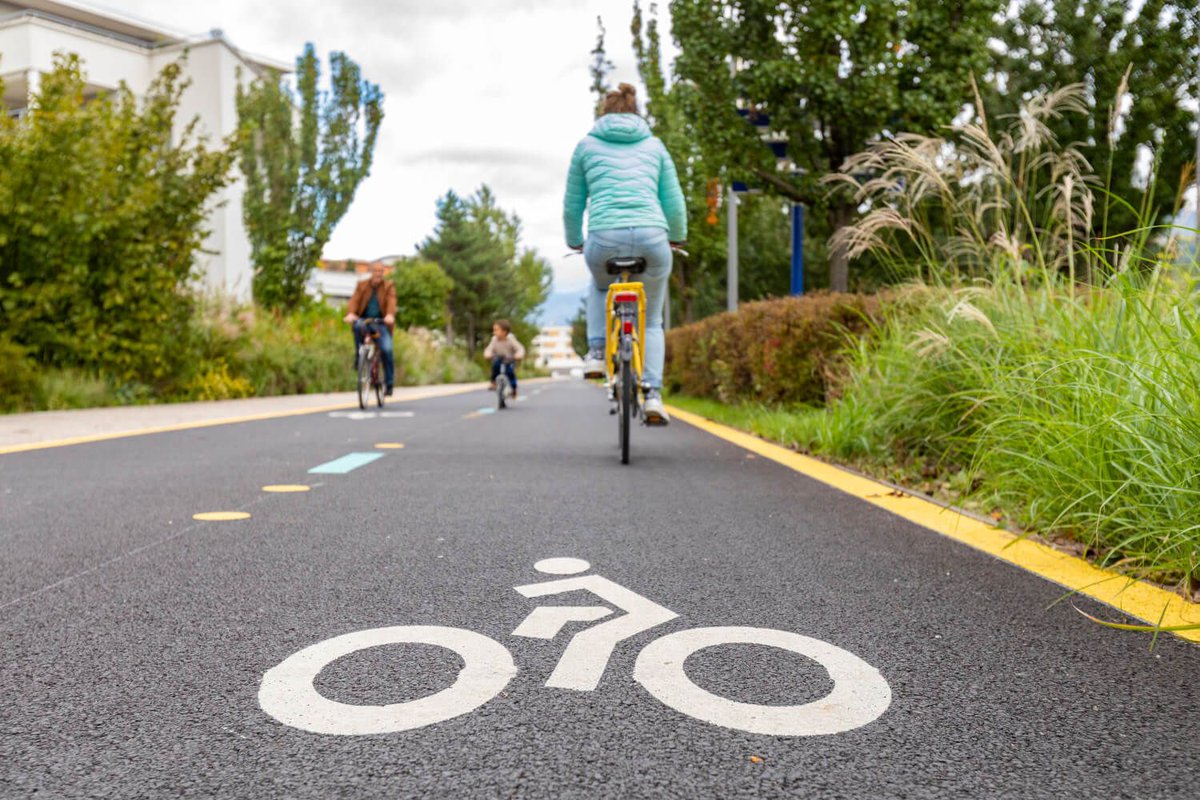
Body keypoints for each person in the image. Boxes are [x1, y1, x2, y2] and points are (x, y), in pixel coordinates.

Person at [563, 82, 686, 425]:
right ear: (635, 112)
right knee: (653, 320)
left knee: (601, 285)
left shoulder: (586, 146)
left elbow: (573, 203)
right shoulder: (655, 145)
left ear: (604, 113)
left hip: (603, 236)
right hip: (652, 237)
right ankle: (654, 396)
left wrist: (575, 241)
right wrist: (677, 237)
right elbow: (673, 200)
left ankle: (596, 352)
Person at [343, 262, 397, 396]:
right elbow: (354, 300)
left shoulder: (388, 286)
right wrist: (350, 313)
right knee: (357, 326)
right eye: (375, 271)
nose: (378, 274)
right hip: (364, 321)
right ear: (371, 272)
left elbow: (391, 301)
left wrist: (390, 315)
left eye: (380, 271)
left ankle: (389, 383)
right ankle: (359, 358)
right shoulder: (362, 285)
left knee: (387, 349)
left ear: (383, 273)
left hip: (381, 323)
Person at [484, 319, 525, 398]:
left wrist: (519, 355)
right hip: (498, 358)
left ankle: (514, 388)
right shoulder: (494, 339)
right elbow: (489, 349)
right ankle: (493, 382)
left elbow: (519, 348)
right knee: (495, 366)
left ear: (504, 332)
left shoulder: (511, 339)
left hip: (510, 359)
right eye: (494, 330)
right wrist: (488, 354)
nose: (494, 332)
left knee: (510, 373)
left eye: (496, 330)